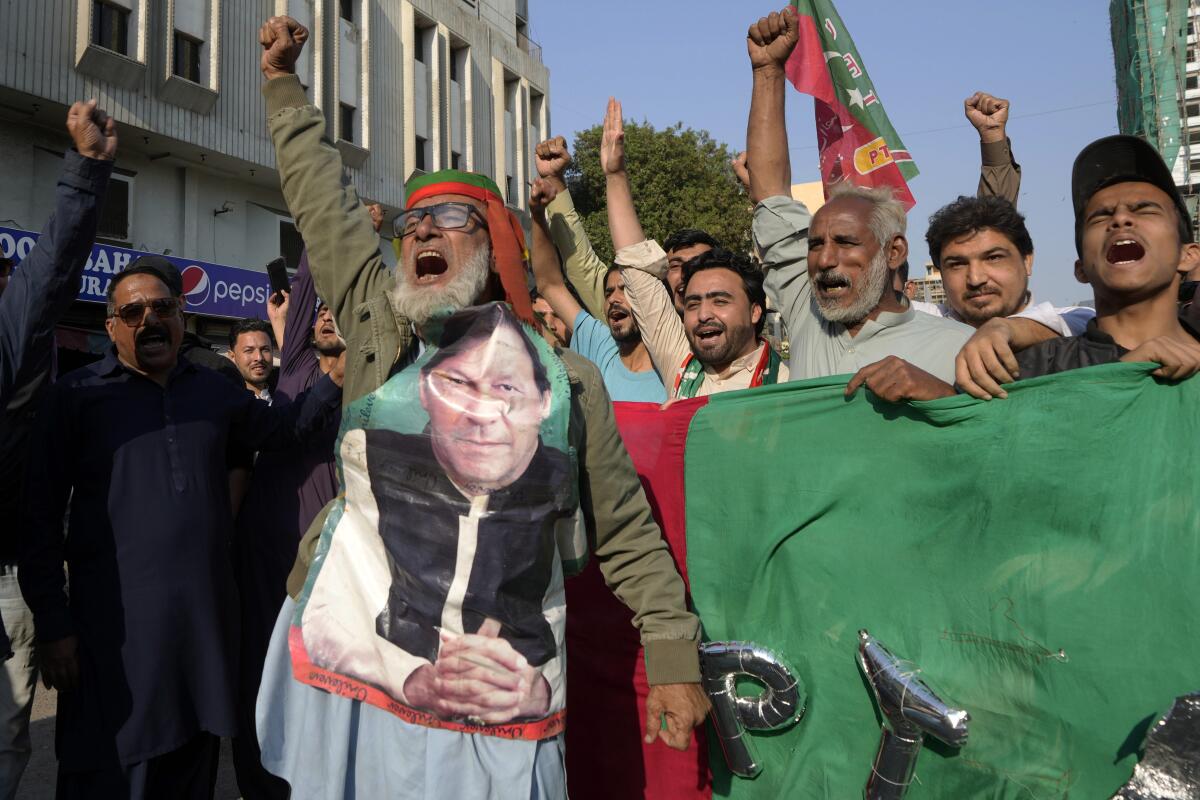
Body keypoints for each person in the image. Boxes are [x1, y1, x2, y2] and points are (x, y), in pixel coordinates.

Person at [255, 15, 708, 798]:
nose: (423, 229)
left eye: (451, 218)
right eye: (411, 223)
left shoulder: (565, 382)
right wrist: (282, 87)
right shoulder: (381, 332)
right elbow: (322, 204)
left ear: (494, 246)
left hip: (503, 694)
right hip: (360, 667)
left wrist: (671, 653)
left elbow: (628, 531)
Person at [19, 263, 343, 799]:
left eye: (163, 308)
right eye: (132, 312)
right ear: (111, 327)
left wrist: (334, 376)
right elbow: (40, 515)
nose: (150, 320)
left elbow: (282, 430)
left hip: (198, 643)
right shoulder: (76, 397)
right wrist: (54, 624)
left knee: (188, 769)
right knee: (105, 774)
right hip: (111, 643)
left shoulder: (212, 392)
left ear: (181, 315)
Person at [745, 8, 972, 402]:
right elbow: (771, 195)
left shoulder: (964, 348)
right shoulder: (805, 313)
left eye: (846, 242)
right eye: (815, 244)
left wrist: (941, 397)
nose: (825, 260)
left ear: (894, 250)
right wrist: (767, 71)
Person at [0, 99, 116, 800]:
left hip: (9, 571)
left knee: (7, 733)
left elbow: (46, 280)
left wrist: (87, 170)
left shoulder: (10, 342)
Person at [957, 135, 1200, 395]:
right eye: (1101, 216)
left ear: (1189, 255)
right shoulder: (1025, 372)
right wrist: (1119, 378)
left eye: (1145, 210)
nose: (1120, 218)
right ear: (1080, 269)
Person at [232, 249, 345, 800]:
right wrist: (331, 231)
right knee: (257, 678)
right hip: (265, 551)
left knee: (315, 684)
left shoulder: (372, 383)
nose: (325, 316)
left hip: (327, 564)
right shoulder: (297, 364)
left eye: (339, 311)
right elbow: (301, 294)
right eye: (320, 308)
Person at [591, 98, 787, 398]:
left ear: (755, 311)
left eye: (720, 301)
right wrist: (615, 175)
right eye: (693, 304)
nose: (703, 314)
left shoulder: (793, 382)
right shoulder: (682, 366)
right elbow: (635, 263)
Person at [534, 135, 720, 318]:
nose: (687, 274)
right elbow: (583, 267)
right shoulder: (634, 320)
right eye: (675, 266)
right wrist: (554, 179)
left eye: (700, 263)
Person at [528, 178, 665, 403]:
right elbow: (549, 284)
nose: (614, 299)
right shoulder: (600, 343)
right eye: (609, 292)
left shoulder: (679, 364)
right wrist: (537, 216)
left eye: (625, 290)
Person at [917, 195, 1094, 336]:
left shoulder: (1075, 325)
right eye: (957, 264)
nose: (976, 279)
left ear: (1027, 261)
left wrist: (1018, 330)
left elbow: (1088, 319)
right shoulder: (922, 325)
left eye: (993, 258)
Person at [229, 318, 276, 400]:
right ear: (233, 357)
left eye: (265, 349)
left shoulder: (288, 397)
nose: (259, 358)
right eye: (249, 350)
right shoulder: (224, 402)